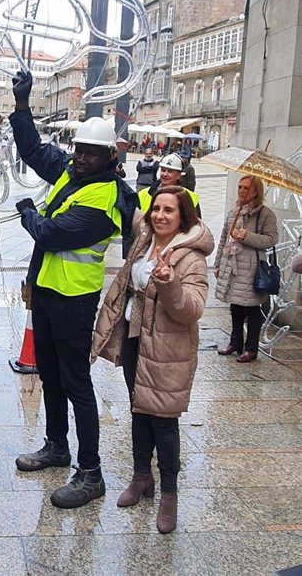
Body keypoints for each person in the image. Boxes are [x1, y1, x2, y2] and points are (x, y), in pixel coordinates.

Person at [9, 70, 138, 510]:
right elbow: (31, 150)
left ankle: (91, 472)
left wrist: (27, 211)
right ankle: (57, 446)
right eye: (78, 150)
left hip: (73, 302)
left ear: (108, 157)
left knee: (76, 383)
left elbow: (51, 233)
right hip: (46, 294)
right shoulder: (71, 173)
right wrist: (22, 107)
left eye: (90, 153)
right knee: (50, 375)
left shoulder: (105, 199)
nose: (80, 158)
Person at [93, 185, 213, 534]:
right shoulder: (144, 239)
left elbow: (193, 309)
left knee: (163, 420)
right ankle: (141, 477)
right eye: (156, 208)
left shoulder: (191, 256)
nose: (160, 215)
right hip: (135, 340)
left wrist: (171, 284)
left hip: (168, 350)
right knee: (138, 410)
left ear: (183, 216)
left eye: (169, 211)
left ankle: (169, 497)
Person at [214, 176, 278, 362]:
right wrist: (218, 264)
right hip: (232, 266)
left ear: (256, 191)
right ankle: (235, 342)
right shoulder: (234, 212)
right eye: (240, 187)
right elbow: (224, 239)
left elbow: (271, 239)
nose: (242, 191)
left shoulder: (265, 214)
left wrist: (247, 236)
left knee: (251, 308)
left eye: (246, 188)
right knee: (235, 306)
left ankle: (251, 348)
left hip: (251, 269)